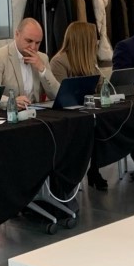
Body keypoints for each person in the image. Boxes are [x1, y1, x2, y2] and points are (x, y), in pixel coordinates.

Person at [49, 22, 110, 190]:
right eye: (94, 39)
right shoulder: (59, 61)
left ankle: (95, 167)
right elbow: (62, 94)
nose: (97, 42)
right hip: (67, 115)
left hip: (87, 111)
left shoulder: (90, 60)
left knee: (106, 124)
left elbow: (100, 86)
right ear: (84, 40)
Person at [0, 18, 60, 110]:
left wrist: (42, 69)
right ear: (17, 34)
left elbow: (56, 95)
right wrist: (11, 101)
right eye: (29, 41)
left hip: (37, 116)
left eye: (38, 43)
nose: (33, 47)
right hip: (8, 116)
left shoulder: (42, 58)